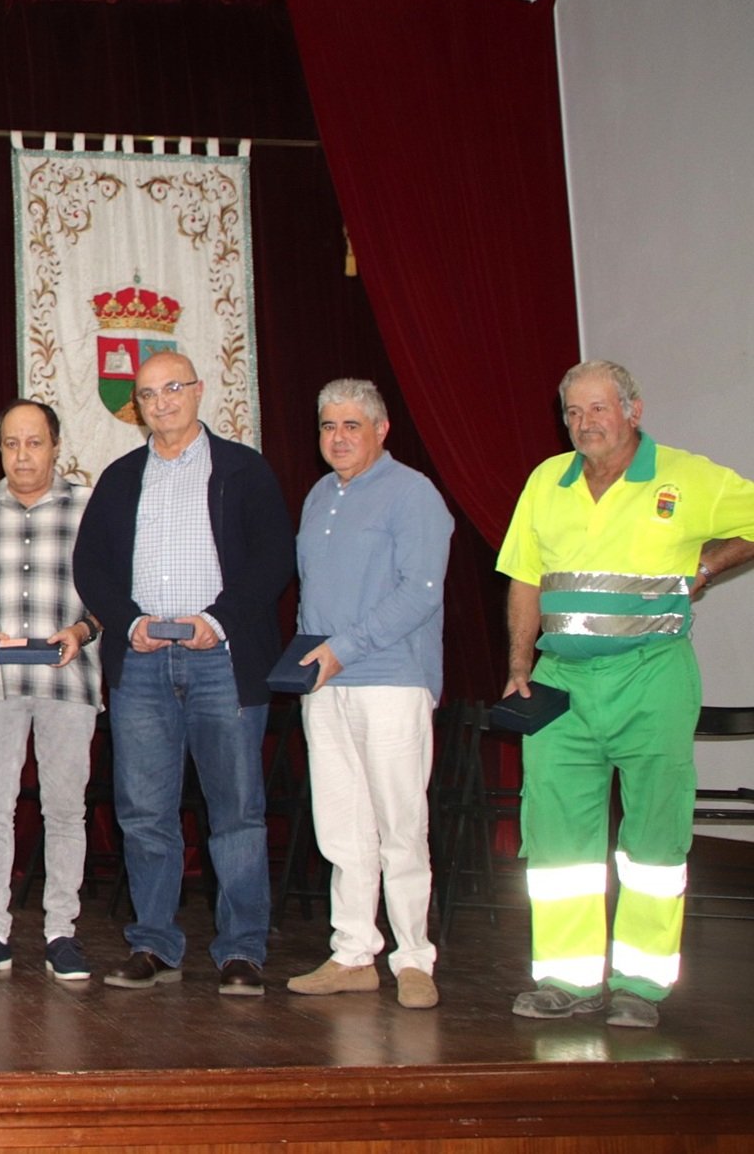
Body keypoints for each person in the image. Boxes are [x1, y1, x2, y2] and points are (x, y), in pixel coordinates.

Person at [498, 360, 754, 1029]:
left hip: (653, 677)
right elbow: (525, 578)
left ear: (632, 411)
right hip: (560, 684)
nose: (585, 424)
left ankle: (641, 985)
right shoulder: (544, 483)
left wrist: (707, 564)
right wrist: (520, 662)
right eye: (573, 413)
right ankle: (566, 978)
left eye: (597, 409)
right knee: (557, 842)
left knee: (653, 837)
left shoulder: (686, 476)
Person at [74, 349, 294, 996]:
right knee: (144, 812)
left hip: (223, 659)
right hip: (141, 662)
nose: (162, 402)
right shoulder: (119, 479)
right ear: (136, 406)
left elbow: (273, 559)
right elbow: (92, 570)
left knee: (238, 813)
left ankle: (242, 952)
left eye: (173, 388)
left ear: (198, 391)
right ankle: (154, 944)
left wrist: (219, 619)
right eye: (148, 394)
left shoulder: (245, 471)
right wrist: (130, 622)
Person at [284, 378, 452, 1010]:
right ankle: (354, 952)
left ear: (383, 430)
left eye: (352, 425)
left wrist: (341, 649)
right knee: (341, 827)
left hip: (391, 682)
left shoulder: (414, 495)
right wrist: (305, 661)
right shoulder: (318, 496)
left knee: (400, 825)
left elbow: (420, 593)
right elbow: (312, 596)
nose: (339, 437)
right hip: (324, 686)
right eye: (329, 426)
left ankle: (413, 957)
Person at [0, 399, 102, 982]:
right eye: (11, 443)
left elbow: (111, 596)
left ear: (56, 446)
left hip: (70, 679)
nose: (23, 455)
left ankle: (62, 930)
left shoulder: (90, 508)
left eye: (34, 442)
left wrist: (83, 630)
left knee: (66, 810)